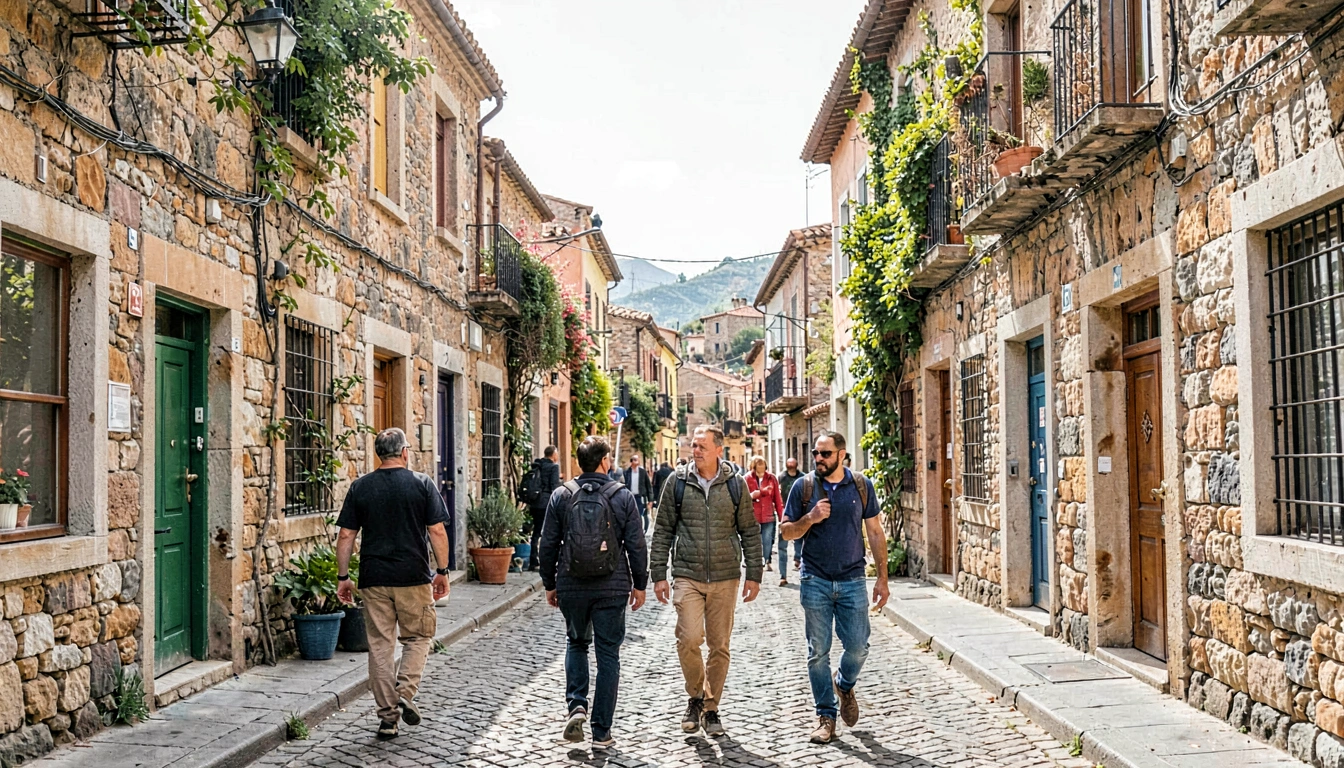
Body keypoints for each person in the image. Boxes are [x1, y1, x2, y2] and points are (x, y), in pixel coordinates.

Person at [335, 428, 451, 741]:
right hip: (413, 576)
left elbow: (346, 535)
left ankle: (388, 719)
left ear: (379, 454)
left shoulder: (361, 487)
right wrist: (442, 570)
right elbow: (437, 532)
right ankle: (405, 692)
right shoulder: (422, 484)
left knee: (380, 647)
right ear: (404, 453)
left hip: (374, 579)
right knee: (418, 636)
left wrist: (343, 577)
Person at [538, 435, 648, 752]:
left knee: (575, 642)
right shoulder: (622, 496)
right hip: (612, 588)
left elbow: (547, 544)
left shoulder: (562, 495)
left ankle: (576, 706)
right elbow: (636, 544)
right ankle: (601, 732)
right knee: (608, 655)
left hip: (571, 585)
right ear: (604, 461)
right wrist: (640, 583)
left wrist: (549, 583)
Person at [650, 425, 761, 737]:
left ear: (717, 451)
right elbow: (662, 530)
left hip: (726, 576)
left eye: (701, 446)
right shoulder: (677, 482)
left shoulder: (736, 485)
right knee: (687, 638)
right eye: (693, 445)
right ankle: (695, 696)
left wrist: (754, 573)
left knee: (719, 646)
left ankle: (711, 708)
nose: (695, 451)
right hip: (687, 574)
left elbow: (749, 531)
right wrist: (658, 573)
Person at [780, 431, 889, 744]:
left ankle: (844, 682)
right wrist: (810, 518)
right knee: (818, 653)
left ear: (842, 455)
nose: (818, 459)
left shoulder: (860, 485)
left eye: (825, 454)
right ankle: (825, 716)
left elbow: (875, 532)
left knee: (858, 646)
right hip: (815, 579)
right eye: (815, 453)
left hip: (853, 579)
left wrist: (882, 577)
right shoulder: (804, 486)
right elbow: (787, 532)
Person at [524, 446, 563, 571]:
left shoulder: (537, 465)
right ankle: (550, 561)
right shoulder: (553, 467)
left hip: (535, 503)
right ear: (553, 454)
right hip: (547, 503)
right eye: (557, 453)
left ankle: (533, 561)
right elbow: (555, 487)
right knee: (551, 533)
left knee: (536, 532)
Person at [745, 456, 783, 576]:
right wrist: (751, 496)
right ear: (753, 467)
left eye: (763, 468)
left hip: (768, 514)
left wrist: (782, 518)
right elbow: (742, 497)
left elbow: (777, 498)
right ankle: (754, 561)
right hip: (752, 514)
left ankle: (767, 561)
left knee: (767, 540)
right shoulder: (747, 478)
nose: (761, 471)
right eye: (758, 468)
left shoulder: (771, 478)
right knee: (753, 540)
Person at [778, 458, 804, 585]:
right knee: (782, 545)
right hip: (784, 513)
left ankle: (798, 558)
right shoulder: (782, 477)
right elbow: (778, 494)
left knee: (799, 540)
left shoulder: (803, 478)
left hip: (799, 513)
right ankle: (783, 575)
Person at [616, 454, 654, 532]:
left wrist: (651, 500)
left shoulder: (642, 472)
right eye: (635, 460)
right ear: (632, 462)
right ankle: (635, 530)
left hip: (640, 497)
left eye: (637, 460)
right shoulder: (627, 472)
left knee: (642, 514)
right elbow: (624, 484)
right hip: (631, 497)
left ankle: (644, 530)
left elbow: (648, 486)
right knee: (632, 515)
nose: (637, 462)